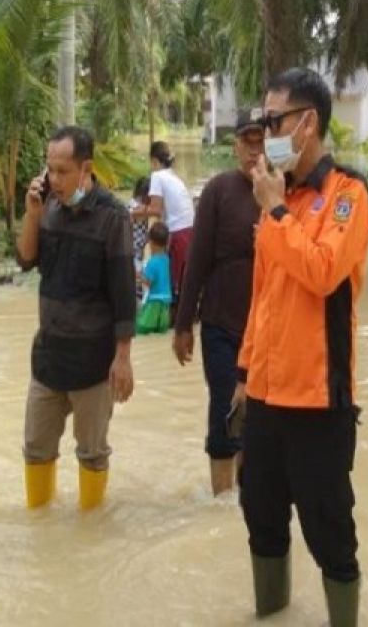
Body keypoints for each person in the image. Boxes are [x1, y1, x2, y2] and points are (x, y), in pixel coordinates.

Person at [231, 69, 368, 626]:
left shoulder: (349, 196)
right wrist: (244, 374)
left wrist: (276, 212)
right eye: (263, 123)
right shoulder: (279, 200)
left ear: (307, 122)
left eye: (274, 121)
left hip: (318, 405)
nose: (266, 133)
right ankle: (271, 615)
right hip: (265, 401)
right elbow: (264, 299)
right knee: (261, 523)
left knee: (331, 536)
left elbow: (321, 272)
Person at [16, 126, 136, 512]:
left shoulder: (112, 217)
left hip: (93, 363)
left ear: (86, 168)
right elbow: (25, 259)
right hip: (48, 357)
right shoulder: (47, 207)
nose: (54, 179)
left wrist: (123, 357)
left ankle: (91, 531)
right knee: (35, 448)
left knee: (92, 453)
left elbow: (122, 291)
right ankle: (40, 524)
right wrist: (32, 215)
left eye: (63, 171)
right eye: (50, 170)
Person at [172, 110, 265, 495]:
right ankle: (222, 499)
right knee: (226, 406)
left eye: (261, 142)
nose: (253, 151)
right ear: (235, 146)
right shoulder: (218, 190)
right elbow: (196, 262)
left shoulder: (282, 191)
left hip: (266, 331)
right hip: (220, 325)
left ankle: (250, 496)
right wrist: (182, 324)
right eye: (247, 142)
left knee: (260, 416)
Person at [133, 141, 195, 311]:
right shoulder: (173, 176)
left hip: (178, 229)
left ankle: (173, 313)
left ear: (154, 160)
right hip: (189, 227)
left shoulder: (158, 176)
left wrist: (135, 213)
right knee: (181, 275)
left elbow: (156, 209)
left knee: (174, 278)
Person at [136, 222, 172, 335]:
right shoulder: (166, 259)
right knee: (161, 331)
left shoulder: (152, 262)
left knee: (141, 327)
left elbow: (148, 282)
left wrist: (138, 276)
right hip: (166, 300)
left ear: (151, 242)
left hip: (155, 300)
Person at [128, 177, 151, 299]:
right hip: (135, 249)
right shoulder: (136, 206)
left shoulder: (133, 204)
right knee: (139, 277)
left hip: (139, 249)